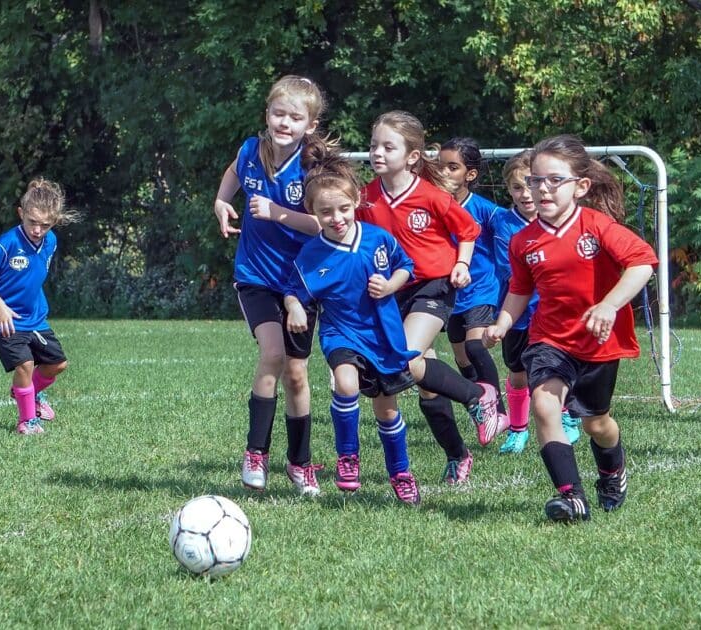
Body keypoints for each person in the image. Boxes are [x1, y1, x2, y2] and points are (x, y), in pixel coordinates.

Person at [483, 134, 657, 523]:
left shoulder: (598, 226)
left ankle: (612, 471)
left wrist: (609, 305)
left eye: (554, 180)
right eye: (535, 180)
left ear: (580, 186)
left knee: (597, 423)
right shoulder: (523, 240)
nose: (542, 188)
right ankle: (571, 496)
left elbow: (643, 263)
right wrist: (502, 323)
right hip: (549, 338)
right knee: (544, 402)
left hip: (598, 343)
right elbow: (520, 288)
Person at [356, 111, 501, 485]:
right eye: (374, 145)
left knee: (404, 356)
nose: (377, 153)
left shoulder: (430, 195)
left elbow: (467, 229)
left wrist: (462, 264)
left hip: (434, 285)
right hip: (392, 291)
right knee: (423, 378)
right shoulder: (366, 199)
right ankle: (458, 455)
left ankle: (477, 397)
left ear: (412, 156)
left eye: (389, 146)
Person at [212, 75, 330, 496]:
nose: (284, 122)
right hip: (256, 276)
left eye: (295, 117)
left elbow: (322, 224)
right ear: (267, 115)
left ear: (309, 125)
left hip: (300, 280)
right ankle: (255, 454)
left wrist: (279, 212)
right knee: (273, 354)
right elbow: (233, 172)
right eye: (278, 113)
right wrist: (223, 200)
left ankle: (300, 464)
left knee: (297, 375)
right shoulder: (251, 150)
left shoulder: (313, 168)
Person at [283, 149, 421, 504]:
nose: (336, 218)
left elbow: (406, 265)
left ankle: (400, 473)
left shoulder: (378, 239)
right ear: (312, 213)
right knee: (345, 383)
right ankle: (348, 457)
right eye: (325, 212)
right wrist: (295, 307)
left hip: (382, 335)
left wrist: (391, 285)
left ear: (356, 201)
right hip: (341, 332)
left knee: (387, 410)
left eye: (343, 209)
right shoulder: (312, 254)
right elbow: (292, 291)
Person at [491, 150, 581, 454]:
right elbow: (510, 270)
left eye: (529, 185)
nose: (525, 194)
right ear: (509, 190)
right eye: (517, 188)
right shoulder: (504, 224)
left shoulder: (559, 221)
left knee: (555, 370)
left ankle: (566, 416)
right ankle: (518, 431)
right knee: (518, 374)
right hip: (517, 312)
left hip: (552, 314)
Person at [0, 178, 78, 435]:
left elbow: (34, 274)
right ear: (21, 213)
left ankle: (27, 392)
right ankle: (27, 421)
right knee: (25, 365)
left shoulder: (50, 241)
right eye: (32, 222)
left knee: (58, 364)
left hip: (34, 316)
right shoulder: (7, 243)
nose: (38, 230)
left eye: (45, 224)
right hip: (1, 316)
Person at [439, 138, 510, 439]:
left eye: (452, 167)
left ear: (470, 174)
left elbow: (511, 233)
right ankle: (480, 408)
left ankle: (501, 414)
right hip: (449, 292)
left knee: (475, 346)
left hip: (482, 288)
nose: (444, 172)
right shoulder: (431, 205)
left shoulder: (486, 211)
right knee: (461, 359)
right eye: (440, 166)